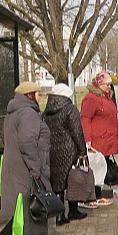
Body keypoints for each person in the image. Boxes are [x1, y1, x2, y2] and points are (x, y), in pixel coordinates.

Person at [0, 81, 51, 235]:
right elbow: (28, 142)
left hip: (15, 162)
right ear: (29, 95)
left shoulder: (14, 112)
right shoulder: (28, 113)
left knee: (23, 201)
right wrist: (35, 167)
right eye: (37, 93)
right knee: (26, 201)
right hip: (25, 165)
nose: (39, 97)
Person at [43, 83, 88, 225]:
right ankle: (73, 211)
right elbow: (77, 131)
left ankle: (59, 215)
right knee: (73, 179)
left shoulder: (46, 111)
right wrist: (82, 150)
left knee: (58, 182)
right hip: (69, 150)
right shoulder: (70, 109)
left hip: (52, 150)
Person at [81, 70, 118, 207]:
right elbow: (85, 118)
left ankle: (98, 195)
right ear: (99, 84)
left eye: (110, 84)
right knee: (94, 169)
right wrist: (87, 139)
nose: (109, 87)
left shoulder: (107, 97)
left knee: (101, 168)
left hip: (107, 140)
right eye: (107, 84)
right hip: (97, 141)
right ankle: (91, 197)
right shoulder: (91, 99)